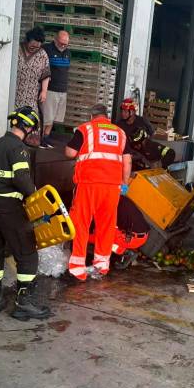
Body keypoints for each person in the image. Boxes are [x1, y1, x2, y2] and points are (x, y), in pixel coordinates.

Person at [0, 106, 51, 320]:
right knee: (27, 250)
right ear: (28, 127)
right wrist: (36, 197)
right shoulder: (19, 149)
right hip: (9, 207)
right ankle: (24, 302)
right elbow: (21, 179)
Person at [65, 104, 132, 281]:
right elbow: (127, 162)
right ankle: (102, 265)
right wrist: (124, 184)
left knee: (81, 222)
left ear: (92, 116)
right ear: (106, 116)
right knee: (107, 224)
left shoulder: (85, 129)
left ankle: (77, 268)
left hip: (89, 184)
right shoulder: (121, 133)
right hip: (112, 187)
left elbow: (70, 153)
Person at [14, 27, 51, 148]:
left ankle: (29, 142)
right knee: (14, 116)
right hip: (14, 91)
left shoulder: (42, 54)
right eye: (32, 45)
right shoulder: (17, 49)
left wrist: (44, 91)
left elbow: (46, 74)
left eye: (37, 46)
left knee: (31, 117)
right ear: (27, 40)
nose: (34, 48)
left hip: (31, 93)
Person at [116, 99, 175, 171]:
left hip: (143, 156)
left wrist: (149, 152)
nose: (122, 113)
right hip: (128, 156)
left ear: (132, 112)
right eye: (122, 111)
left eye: (125, 111)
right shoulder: (119, 125)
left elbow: (151, 135)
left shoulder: (142, 121)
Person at [40, 30, 71, 149]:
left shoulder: (68, 52)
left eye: (65, 44)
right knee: (47, 116)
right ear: (55, 39)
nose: (63, 46)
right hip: (50, 89)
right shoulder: (47, 49)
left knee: (54, 118)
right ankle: (40, 138)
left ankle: (46, 138)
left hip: (62, 89)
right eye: (61, 43)